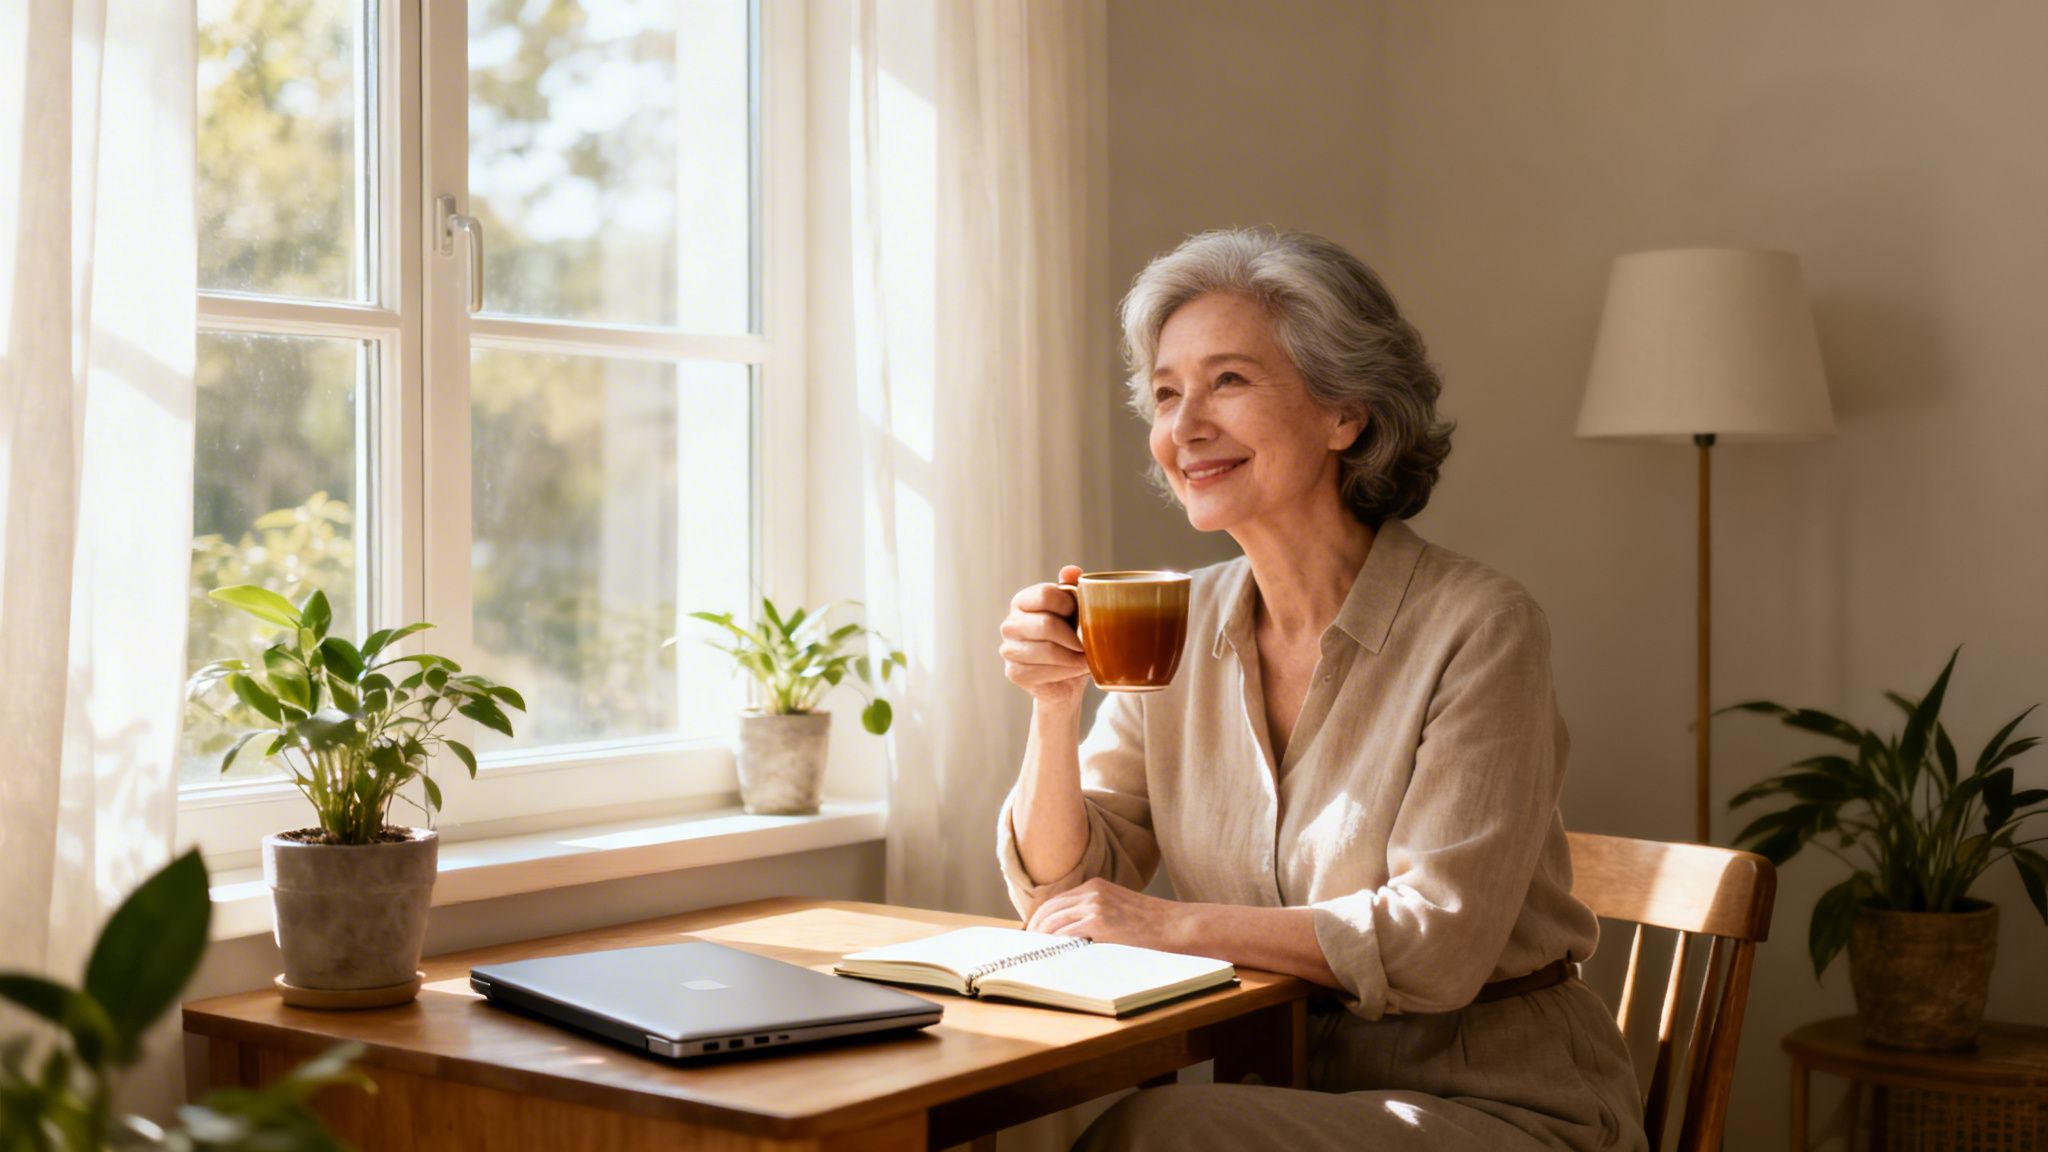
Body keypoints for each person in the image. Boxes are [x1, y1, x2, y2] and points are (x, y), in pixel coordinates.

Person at [995, 229, 1648, 1151]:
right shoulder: (1173, 621)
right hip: (1284, 1087)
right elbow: (1067, 891)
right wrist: (1054, 706)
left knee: (1153, 1138)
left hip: (1502, 1106)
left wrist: (1166, 923)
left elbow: (1436, 945)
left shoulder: (1481, 625)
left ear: (1345, 413)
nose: (1185, 428)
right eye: (1168, 393)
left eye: (1228, 381)